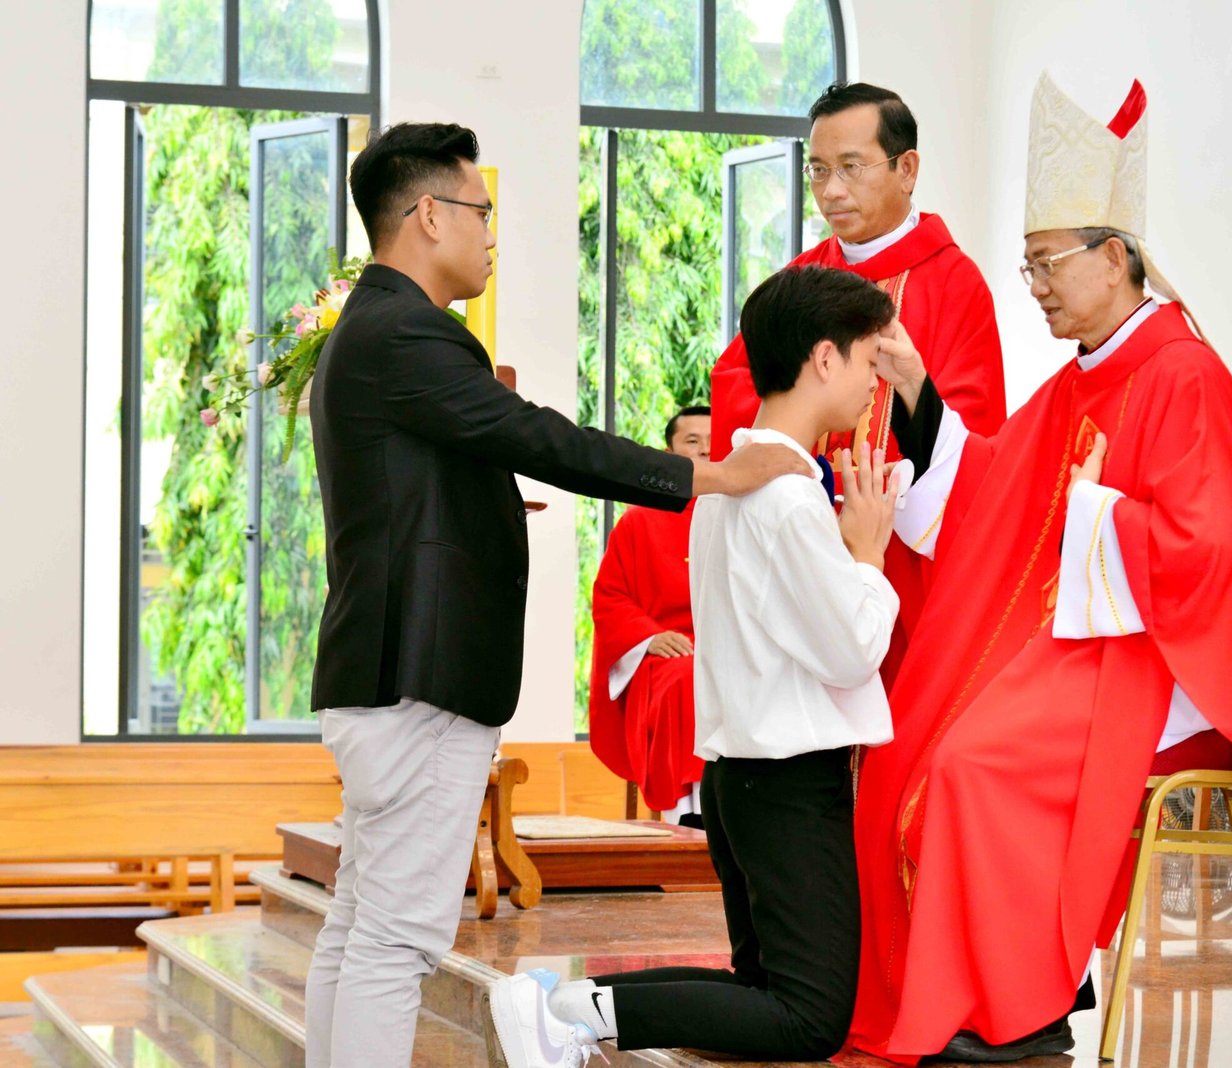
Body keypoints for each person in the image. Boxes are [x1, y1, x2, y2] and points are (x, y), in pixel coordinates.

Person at [301, 123, 808, 1068]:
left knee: (363, 921)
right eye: (481, 211)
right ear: (428, 215)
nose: (491, 233)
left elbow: (430, 486)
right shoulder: (407, 331)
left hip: (385, 669)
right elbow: (543, 438)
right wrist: (710, 475)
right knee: (395, 939)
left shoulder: (371, 328)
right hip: (419, 676)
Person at [845, 75, 1232, 1063]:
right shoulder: (1081, 380)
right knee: (908, 746)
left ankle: (1023, 1011)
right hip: (1089, 644)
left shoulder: (1183, 373)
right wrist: (919, 392)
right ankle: (979, 988)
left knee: (975, 766)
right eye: (1026, 268)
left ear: (1113, 256)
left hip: (1172, 659)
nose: (1037, 287)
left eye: (1048, 264)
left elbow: (1206, 555)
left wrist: (1096, 517)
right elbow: (992, 493)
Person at [492, 266, 904, 1067]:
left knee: (766, 986)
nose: (873, 380)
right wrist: (868, 555)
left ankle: (564, 1004)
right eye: (867, 358)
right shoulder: (786, 492)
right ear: (824, 358)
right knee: (808, 1018)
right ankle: (578, 1016)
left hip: (741, 776)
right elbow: (851, 651)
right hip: (787, 777)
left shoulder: (733, 478)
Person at [710, 82, 1007, 680]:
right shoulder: (801, 280)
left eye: (851, 167)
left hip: (902, 558)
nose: (831, 191)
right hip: (799, 548)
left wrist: (875, 485)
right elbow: (736, 381)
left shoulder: (955, 283)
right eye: (818, 170)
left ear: (907, 169)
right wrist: (808, 476)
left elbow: (971, 437)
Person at [587, 405, 712, 823]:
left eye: (713, 443)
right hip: (665, 656)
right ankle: (689, 813)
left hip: (727, 648)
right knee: (687, 678)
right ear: (669, 454)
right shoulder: (639, 521)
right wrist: (649, 637)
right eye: (692, 442)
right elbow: (610, 596)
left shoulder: (742, 515)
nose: (705, 451)